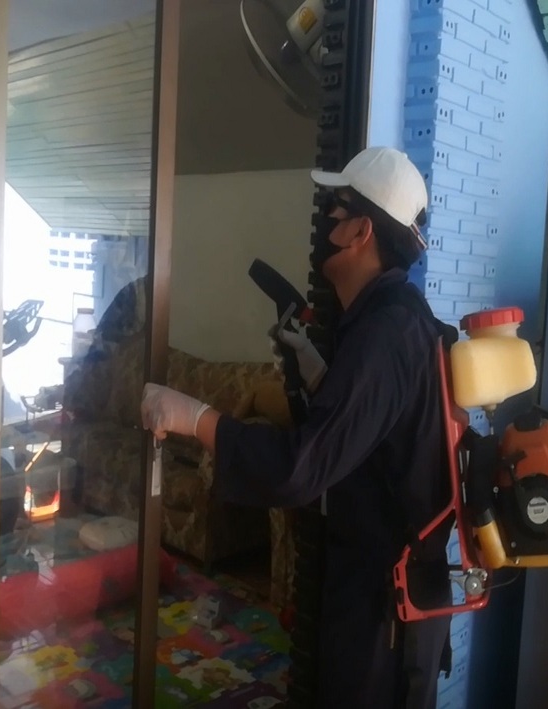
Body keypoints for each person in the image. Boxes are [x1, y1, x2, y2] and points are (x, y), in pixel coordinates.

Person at [140, 146, 454, 708]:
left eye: (335, 210)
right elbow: (365, 436)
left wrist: (195, 417)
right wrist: (315, 373)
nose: (324, 223)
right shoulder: (389, 321)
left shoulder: (387, 335)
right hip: (377, 589)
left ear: (361, 231)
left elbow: (300, 467)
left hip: (386, 610)